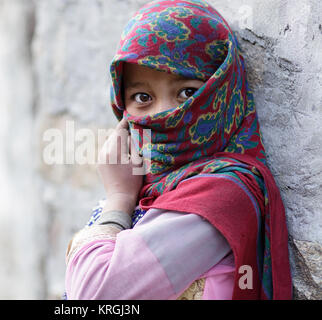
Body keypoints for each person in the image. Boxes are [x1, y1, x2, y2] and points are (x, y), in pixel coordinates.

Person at [64, 0, 292, 300]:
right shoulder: (152, 188)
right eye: (143, 96)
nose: (166, 113)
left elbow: (95, 297)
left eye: (187, 92)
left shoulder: (220, 194)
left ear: (223, 90)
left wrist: (118, 199)